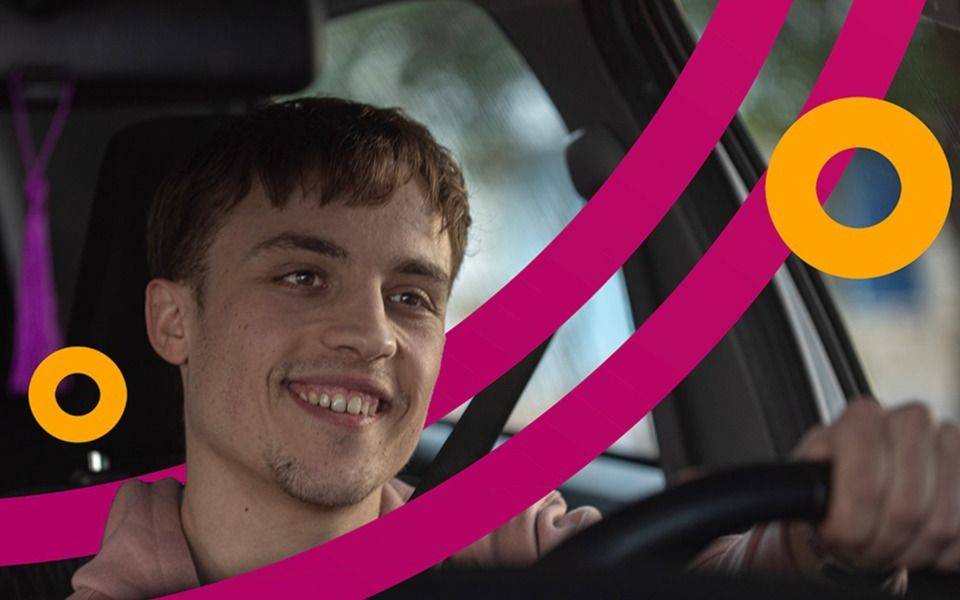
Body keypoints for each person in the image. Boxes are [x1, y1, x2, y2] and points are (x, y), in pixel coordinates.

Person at [69, 98, 960, 598]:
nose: (373, 335)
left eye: (411, 297)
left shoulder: (511, 550)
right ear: (173, 321)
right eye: (303, 276)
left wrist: (832, 541)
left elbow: (713, 580)